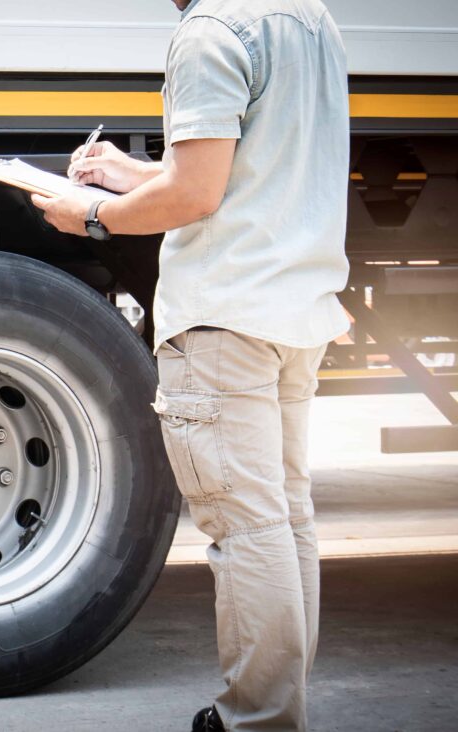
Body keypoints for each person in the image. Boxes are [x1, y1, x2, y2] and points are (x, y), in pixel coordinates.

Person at [31, 0, 351, 729]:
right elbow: (239, 171)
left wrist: (87, 212)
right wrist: (127, 172)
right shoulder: (306, 16)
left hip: (225, 316)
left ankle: (260, 721)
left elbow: (196, 195)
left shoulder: (210, 33)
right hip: (294, 310)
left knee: (247, 530)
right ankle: (277, 709)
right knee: (284, 519)